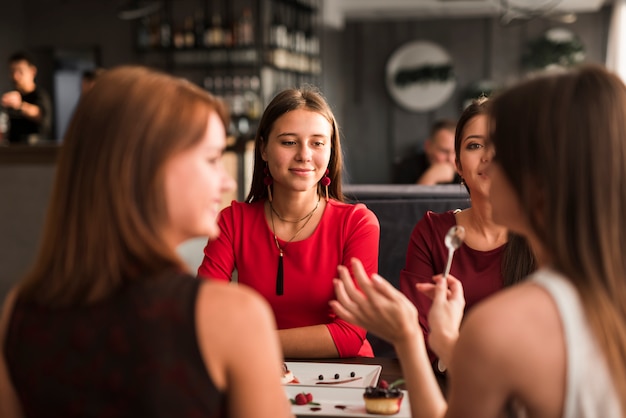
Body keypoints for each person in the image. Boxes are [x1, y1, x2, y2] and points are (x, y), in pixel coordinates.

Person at [331, 64, 625, 417]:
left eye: (510, 151)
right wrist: (442, 340)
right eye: (477, 146)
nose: (490, 162)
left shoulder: (496, 326)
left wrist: (409, 335)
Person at [0, 66, 292, 418]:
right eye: (213, 159)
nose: (226, 183)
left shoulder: (19, 310)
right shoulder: (234, 317)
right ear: (147, 169)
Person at [198, 86, 380, 358]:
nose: (304, 155)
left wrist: (245, 341)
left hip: (343, 376)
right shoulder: (233, 221)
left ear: (330, 151)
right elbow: (204, 314)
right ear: (263, 149)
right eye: (288, 142)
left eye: (317, 143)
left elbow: (349, 336)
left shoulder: (357, 223)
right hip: (258, 370)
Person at [399, 98, 535, 371]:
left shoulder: (543, 235)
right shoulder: (432, 233)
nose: (489, 155)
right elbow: (417, 333)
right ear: (458, 165)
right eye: (475, 145)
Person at [0, 51, 52, 143]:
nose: (15, 76)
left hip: (34, 150)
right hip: (12, 149)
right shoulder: (11, 95)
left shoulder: (40, 95)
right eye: (12, 71)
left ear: (32, 71)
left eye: (20, 71)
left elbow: (40, 115)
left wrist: (20, 105)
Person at [392, 119, 459, 185]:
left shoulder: (464, 169)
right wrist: (431, 177)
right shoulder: (407, 168)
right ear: (428, 146)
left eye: (455, 152)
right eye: (444, 151)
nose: (451, 159)